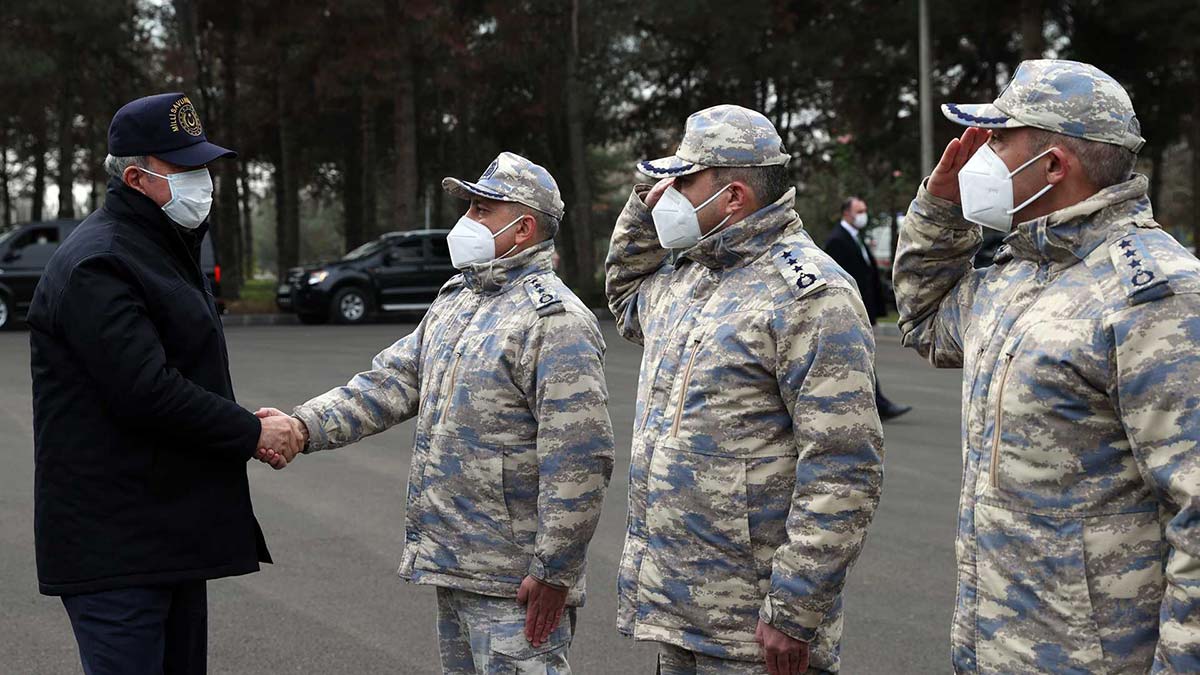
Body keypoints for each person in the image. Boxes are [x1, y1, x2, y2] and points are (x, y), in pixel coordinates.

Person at [893, 59, 1200, 673]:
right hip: (995, 643)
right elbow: (926, 321)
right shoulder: (1017, 273)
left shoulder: (1157, 295)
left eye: (998, 140)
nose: (979, 154)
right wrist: (941, 211)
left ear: (1054, 166)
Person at [258, 152, 614, 674]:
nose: (466, 219)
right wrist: (301, 426)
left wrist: (555, 570)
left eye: (482, 209)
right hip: (456, 563)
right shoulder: (459, 299)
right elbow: (391, 383)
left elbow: (580, 457)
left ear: (523, 229)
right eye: (469, 205)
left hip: (515, 581)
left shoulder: (554, 321)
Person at [27, 92, 300, 675]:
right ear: (135, 176)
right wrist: (249, 431)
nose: (203, 180)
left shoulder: (161, 249)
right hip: (116, 549)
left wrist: (241, 422)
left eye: (205, 166)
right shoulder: (99, 263)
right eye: (186, 168)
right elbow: (146, 391)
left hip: (165, 537)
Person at [606, 104, 884, 675]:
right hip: (679, 612)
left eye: (683, 182)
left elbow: (843, 463)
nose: (668, 193)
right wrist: (641, 211)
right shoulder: (688, 279)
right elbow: (625, 295)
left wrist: (795, 607)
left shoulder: (811, 294)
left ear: (733, 196)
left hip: (754, 631)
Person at [824, 197, 911, 420]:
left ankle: (863, 403)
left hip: (863, 309)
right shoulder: (837, 240)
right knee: (860, 357)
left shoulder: (855, 238)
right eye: (860, 211)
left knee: (859, 358)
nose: (864, 214)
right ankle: (878, 405)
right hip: (849, 310)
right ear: (847, 213)